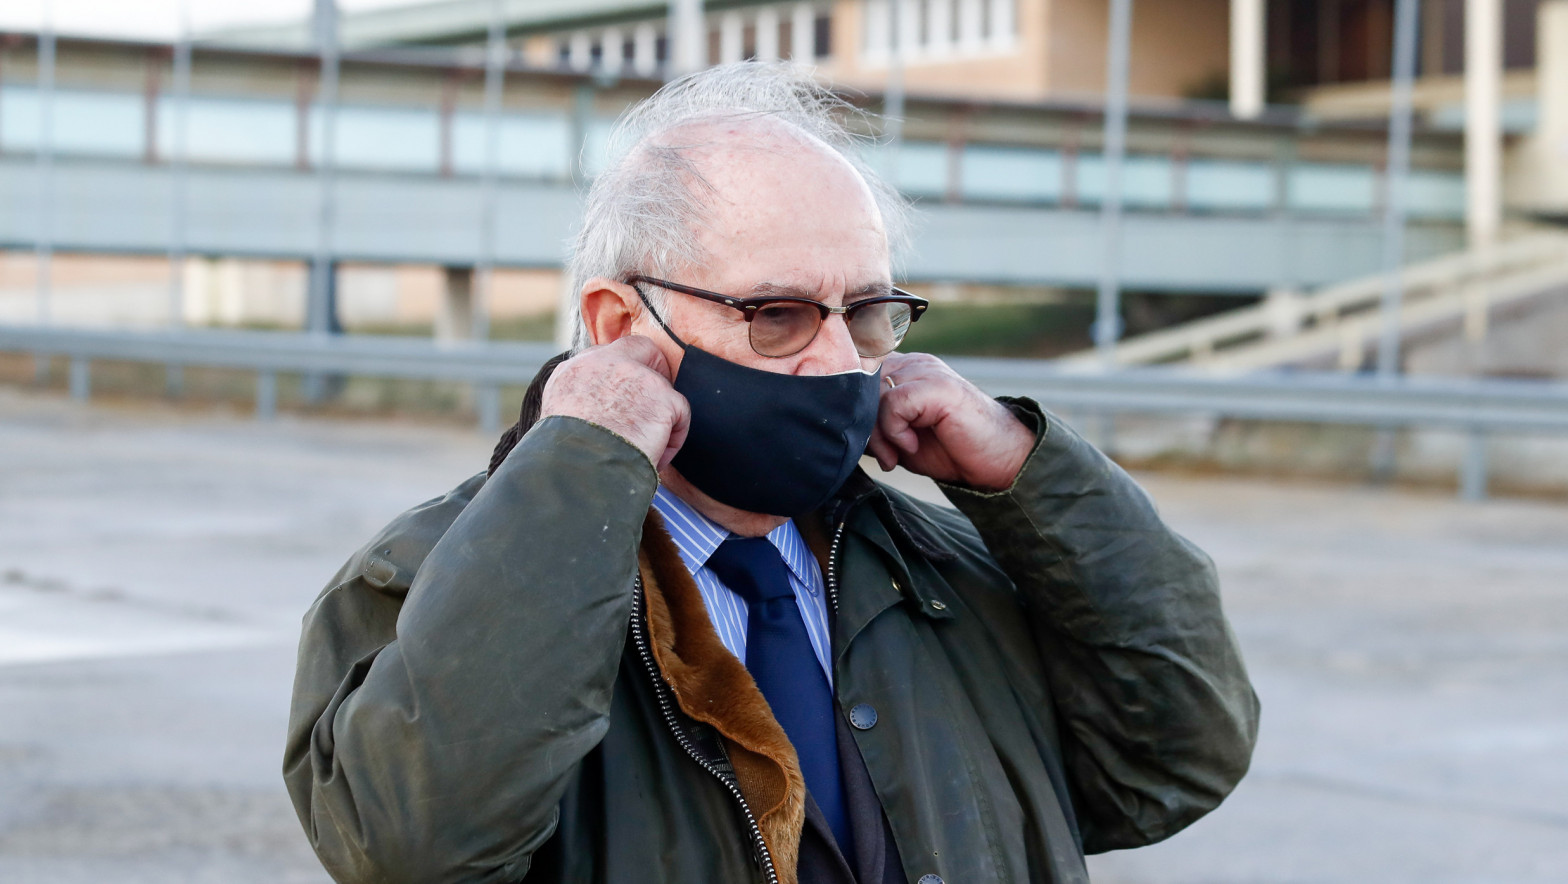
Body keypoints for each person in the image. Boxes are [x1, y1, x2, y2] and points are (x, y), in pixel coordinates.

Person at [283, 63, 1258, 884]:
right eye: (777, 315)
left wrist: (1030, 479)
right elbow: (412, 842)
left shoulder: (955, 573)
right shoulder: (425, 580)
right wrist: (578, 467)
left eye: (867, 312)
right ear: (622, 326)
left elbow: (1176, 758)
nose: (838, 360)